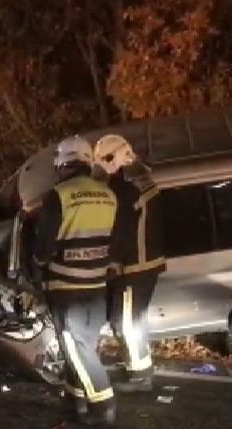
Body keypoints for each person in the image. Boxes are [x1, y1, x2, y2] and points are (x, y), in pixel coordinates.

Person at [32, 135, 119, 426]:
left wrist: (37, 267)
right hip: (97, 285)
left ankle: (103, 405)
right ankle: (75, 400)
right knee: (83, 346)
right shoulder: (107, 194)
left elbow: (43, 248)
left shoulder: (59, 195)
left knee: (75, 346)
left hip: (67, 287)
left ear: (62, 163)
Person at [94, 134, 166, 393]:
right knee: (126, 318)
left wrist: (110, 262)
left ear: (114, 158)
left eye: (102, 161)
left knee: (127, 321)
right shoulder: (140, 178)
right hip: (143, 264)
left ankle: (140, 376)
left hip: (135, 267)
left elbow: (119, 232)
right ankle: (137, 366)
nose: (99, 168)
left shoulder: (127, 188)